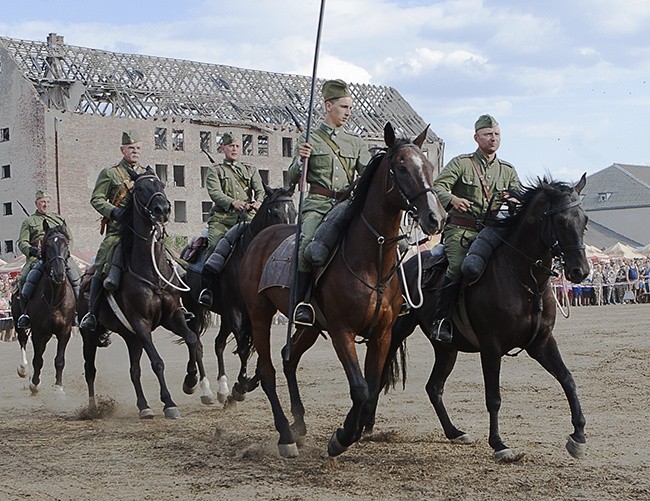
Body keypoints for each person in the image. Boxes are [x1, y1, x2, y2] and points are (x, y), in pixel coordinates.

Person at [431, 114, 521, 342]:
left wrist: (514, 200)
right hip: (462, 230)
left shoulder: (507, 170)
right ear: (476, 137)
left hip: (492, 230)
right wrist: (452, 199)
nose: (493, 139)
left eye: (497, 134)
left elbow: (520, 196)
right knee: (459, 266)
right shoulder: (462, 163)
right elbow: (437, 187)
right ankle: (442, 320)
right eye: (488, 134)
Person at [287, 79, 370, 326]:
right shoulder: (309, 138)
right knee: (306, 244)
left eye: (350, 108)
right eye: (344, 107)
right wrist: (301, 160)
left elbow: (365, 174)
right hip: (318, 204)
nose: (348, 112)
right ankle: (301, 303)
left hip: (345, 206)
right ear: (328, 106)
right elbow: (292, 177)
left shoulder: (355, 142)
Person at [79, 130, 147, 343]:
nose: (134, 152)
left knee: (169, 261)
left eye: (137, 148)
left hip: (143, 233)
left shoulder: (146, 174)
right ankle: (92, 313)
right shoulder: (111, 173)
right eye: (130, 148)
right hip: (118, 231)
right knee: (101, 265)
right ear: (122, 150)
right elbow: (96, 199)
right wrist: (113, 211)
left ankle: (178, 307)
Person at [197, 132, 265, 307]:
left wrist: (258, 202)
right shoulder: (216, 170)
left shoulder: (250, 170)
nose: (234, 149)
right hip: (222, 219)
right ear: (223, 148)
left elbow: (260, 190)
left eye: (237, 146)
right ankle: (208, 290)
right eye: (230, 146)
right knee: (213, 246)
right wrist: (232, 202)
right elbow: (215, 193)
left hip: (247, 218)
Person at [15, 190, 80, 329]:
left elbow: (70, 239)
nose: (45, 204)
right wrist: (32, 250)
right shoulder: (29, 221)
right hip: (38, 258)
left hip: (60, 258)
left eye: (47, 202)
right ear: (36, 204)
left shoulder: (58, 220)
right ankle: (25, 315)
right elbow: (22, 242)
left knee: (78, 277)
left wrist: (66, 252)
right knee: (23, 279)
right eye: (42, 202)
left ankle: (80, 312)